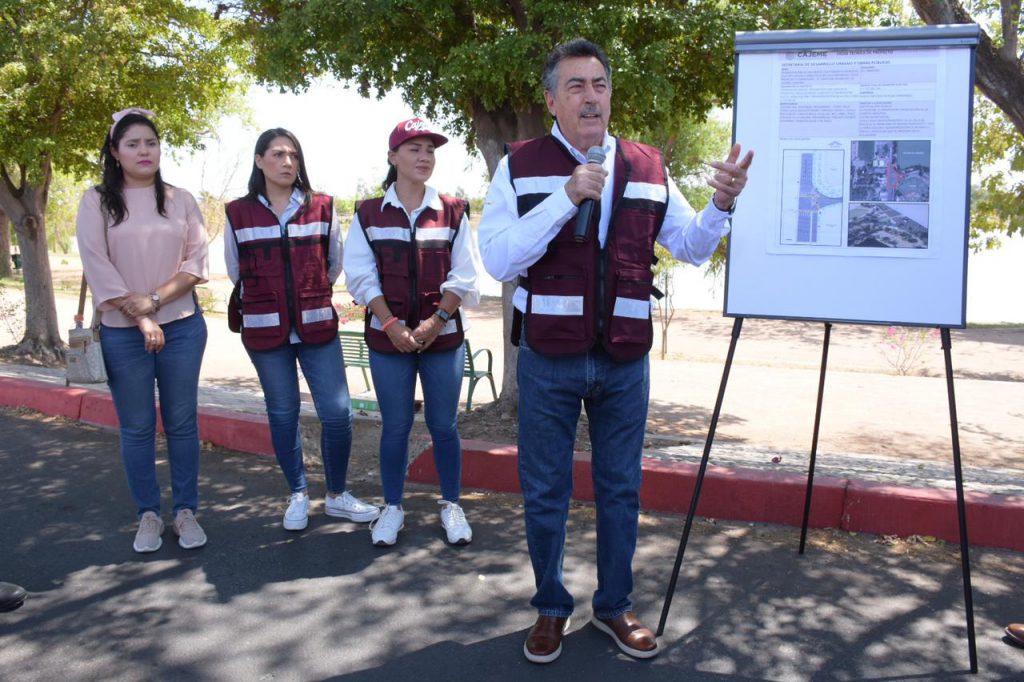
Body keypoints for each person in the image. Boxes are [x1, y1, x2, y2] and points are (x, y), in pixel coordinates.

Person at [477, 39, 753, 663]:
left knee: (621, 488)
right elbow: (497, 257)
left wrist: (723, 203)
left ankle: (614, 606)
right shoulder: (519, 165)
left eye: (599, 84)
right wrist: (566, 196)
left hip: (624, 358)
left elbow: (688, 245)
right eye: (575, 85)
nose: (590, 95)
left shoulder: (648, 165)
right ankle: (550, 608)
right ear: (551, 99)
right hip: (548, 356)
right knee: (545, 488)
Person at [225, 128, 379, 532]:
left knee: (338, 413)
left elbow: (333, 265)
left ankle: (336, 495)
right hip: (264, 330)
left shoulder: (322, 207)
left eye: (293, 154)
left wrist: (307, 294)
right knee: (282, 413)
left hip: (316, 327)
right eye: (277, 154)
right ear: (259, 161)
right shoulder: (237, 212)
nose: (287, 162)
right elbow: (233, 270)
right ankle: (297, 493)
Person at [343, 118, 483, 547]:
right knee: (396, 426)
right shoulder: (368, 213)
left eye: (430, 150)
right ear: (392, 157)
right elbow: (361, 277)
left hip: (442, 340)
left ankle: (451, 505)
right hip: (389, 340)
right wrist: (391, 324)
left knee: (444, 426)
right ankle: (391, 507)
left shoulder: (454, 210)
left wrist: (434, 322)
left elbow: (465, 275)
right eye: (414, 148)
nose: (424, 157)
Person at [77, 108, 210, 553]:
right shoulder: (95, 201)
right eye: (132, 144)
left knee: (182, 423)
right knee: (136, 428)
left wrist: (153, 302)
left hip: (183, 328)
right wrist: (141, 317)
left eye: (150, 142)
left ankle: (186, 510)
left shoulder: (181, 199)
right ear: (115, 152)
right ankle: (149, 515)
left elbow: (196, 263)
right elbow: (97, 264)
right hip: (122, 332)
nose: (143, 151)